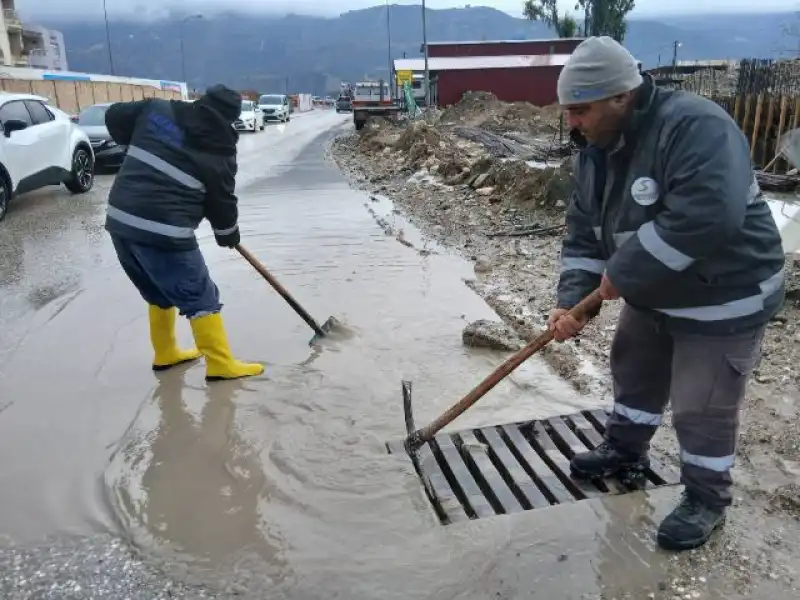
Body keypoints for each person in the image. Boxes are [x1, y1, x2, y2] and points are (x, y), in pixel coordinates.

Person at [548, 37, 785, 551]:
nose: (573, 123)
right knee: (633, 369)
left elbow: (706, 215)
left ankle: (706, 498)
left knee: (702, 405)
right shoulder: (596, 151)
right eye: (568, 111)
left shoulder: (696, 126)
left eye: (580, 110)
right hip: (655, 291)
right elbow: (584, 233)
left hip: (725, 294)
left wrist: (625, 273)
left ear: (621, 97)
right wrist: (573, 302)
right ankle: (625, 451)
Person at [104, 84, 264, 382]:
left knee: (157, 291)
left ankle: (166, 353)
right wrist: (227, 234)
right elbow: (222, 202)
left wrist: (136, 140)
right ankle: (220, 364)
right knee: (201, 296)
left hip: (120, 220)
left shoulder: (156, 111)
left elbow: (114, 114)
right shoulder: (220, 152)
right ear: (230, 120)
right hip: (163, 231)